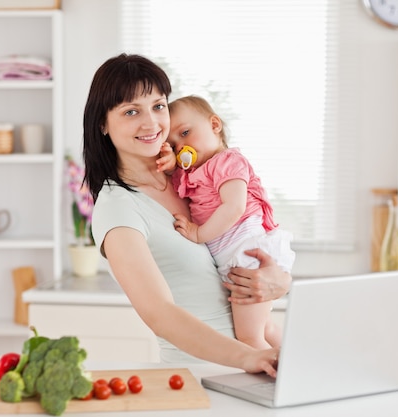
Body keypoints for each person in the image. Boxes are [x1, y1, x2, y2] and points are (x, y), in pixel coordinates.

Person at [83, 53, 291, 377]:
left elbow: (240, 253)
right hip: (202, 379)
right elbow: (160, 314)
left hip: (255, 372)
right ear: (102, 124)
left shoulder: (190, 180)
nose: (151, 123)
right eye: (131, 111)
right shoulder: (117, 208)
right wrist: (247, 357)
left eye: (158, 106)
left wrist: (278, 281)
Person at [156, 95, 295, 350]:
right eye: (174, 144)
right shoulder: (192, 173)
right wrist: (169, 163)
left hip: (247, 254)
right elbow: (172, 179)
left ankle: (282, 383)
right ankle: (299, 367)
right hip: (235, 258)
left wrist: (199, 234)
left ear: (214, 125)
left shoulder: (227, 161)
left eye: (185, 133)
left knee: (250, 338)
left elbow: (234, 206)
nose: (181, 147)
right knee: (264, 329)